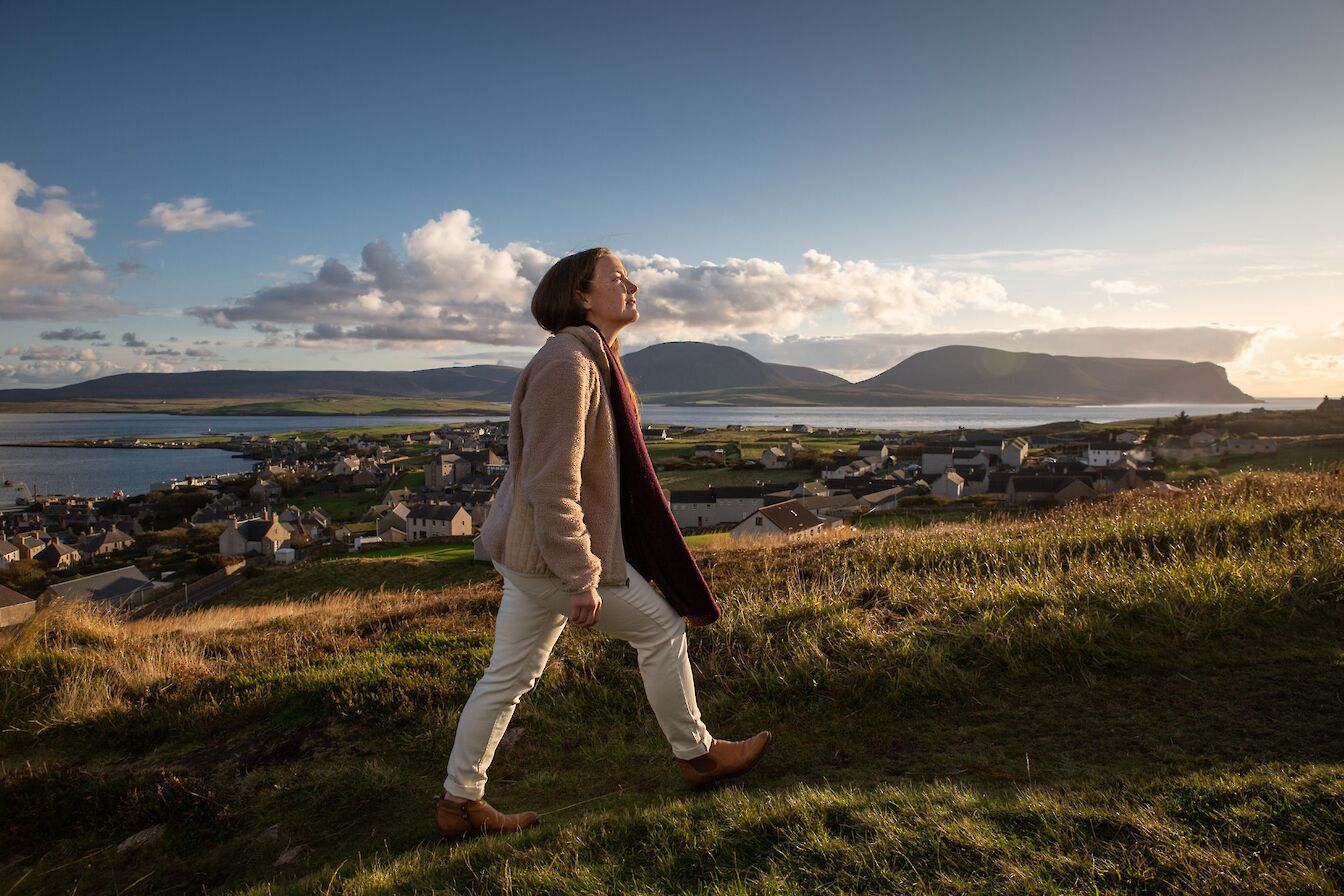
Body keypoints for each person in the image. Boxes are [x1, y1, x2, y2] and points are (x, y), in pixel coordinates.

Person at [436, 247, 772, 838]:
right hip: (548, 556)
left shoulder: (592, 358)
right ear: (582, 296)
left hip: (526, 555)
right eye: (618, 279)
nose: (633, 285)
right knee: (661, 629)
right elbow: (550, 483)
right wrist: (581, 575)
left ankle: (459, 803)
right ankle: (697, 754)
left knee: (508, 676)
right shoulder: (570, 364)